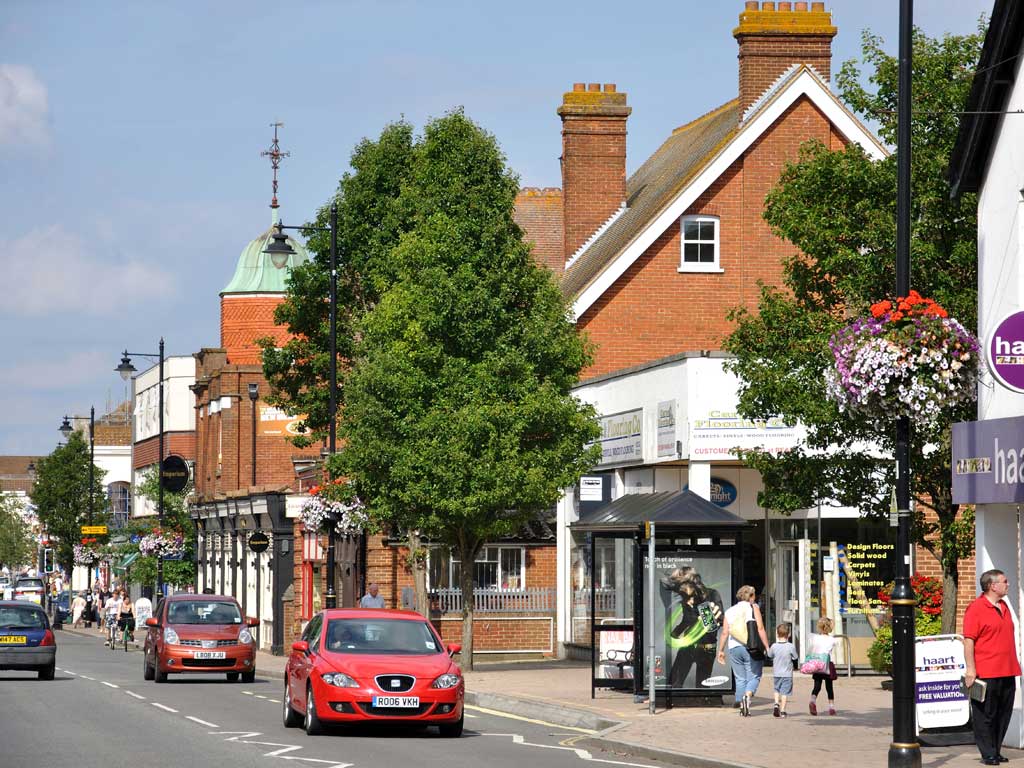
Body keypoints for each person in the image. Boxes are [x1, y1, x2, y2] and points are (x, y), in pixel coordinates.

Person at [964, 569, 1022, 766]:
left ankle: (995, 750)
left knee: (1003, 713)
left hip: (1008, 669)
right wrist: (970, 670)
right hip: (986, 671)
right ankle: (987, 752)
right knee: (984, 714)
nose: (1008, 584)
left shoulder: (1004, 605)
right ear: (992, 585)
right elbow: (969, 641)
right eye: (1005, 581)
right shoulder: (976, 608)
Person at [663, 567, 724, 688]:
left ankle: (703, 702)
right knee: (674, 681)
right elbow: (686, 621)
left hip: (706, 647)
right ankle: (670, 701)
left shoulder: (711, 595)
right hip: (688, 646)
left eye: (683, 588)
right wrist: (673, 635)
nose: (682, 593)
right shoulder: (685, 599)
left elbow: (719, 621)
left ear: (692, 583)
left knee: (702, 685)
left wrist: (705, 612)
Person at [717, 585, 770, 717]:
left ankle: (739, 701)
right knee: (754, 675)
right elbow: (760, 628)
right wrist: (767, 646)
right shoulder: (754, 608)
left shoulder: (729, 611)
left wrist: (721, 650)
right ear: (751, 596)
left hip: (734, 647)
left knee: (740, 677)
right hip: (750, 646)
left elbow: (724, 633)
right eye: (754, 595)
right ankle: (747, 696)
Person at [807, 616, 838, 716]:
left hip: (817, 663)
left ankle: (813, 700)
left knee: (817, 685)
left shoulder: (815, 638)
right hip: (827, 663)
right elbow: (833, 647)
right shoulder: (832, 639)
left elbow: (812, 648)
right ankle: (831, 707)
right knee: (829, 687)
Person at [767, 623, 797, 718]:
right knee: (785, 692)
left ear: (777, 634)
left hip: (776, 673)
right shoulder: (790, 646)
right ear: (788, 634)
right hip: (787, 674)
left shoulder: (774, 646)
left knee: (776, 689)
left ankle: (776, 704)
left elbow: (769, 655)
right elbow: (795, 657)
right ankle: (783, 710)